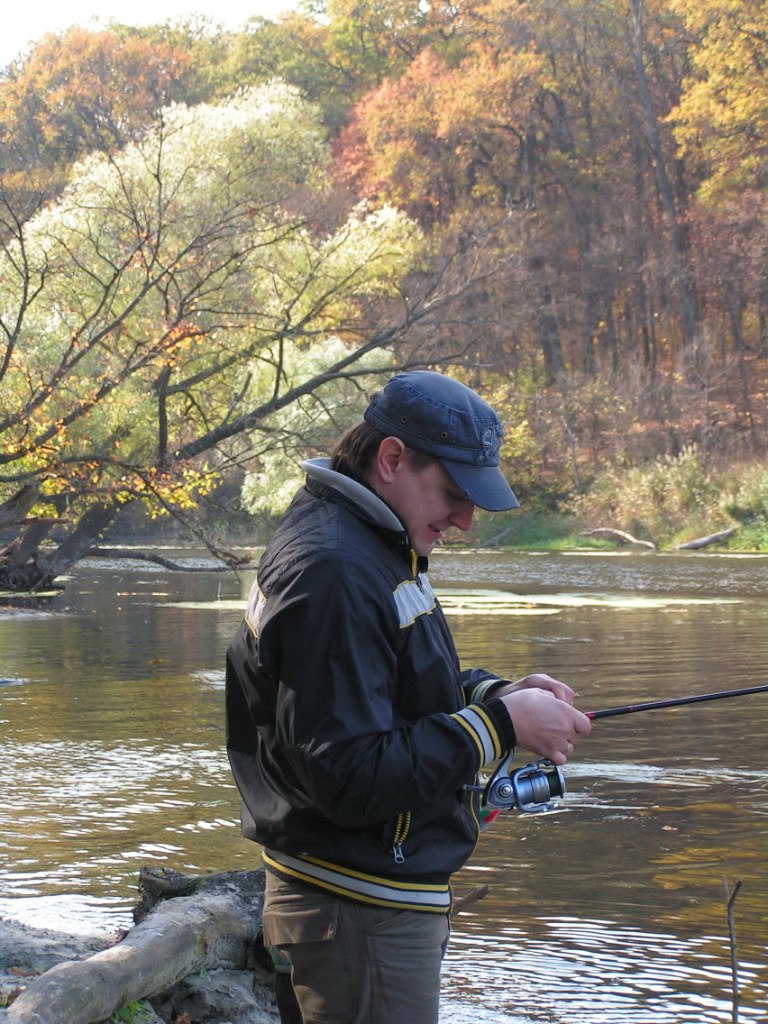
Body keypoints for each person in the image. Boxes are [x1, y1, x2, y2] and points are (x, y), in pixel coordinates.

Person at [225, 370, 591, 1024]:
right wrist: (499, 726)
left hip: (361, 908)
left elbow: (395, 684)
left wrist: (496, 693)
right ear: (391, 459)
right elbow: (351, 775)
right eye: (452, 493)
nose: (467, 520)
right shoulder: (336, 569)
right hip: (355, 913)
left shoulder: (369, 545)